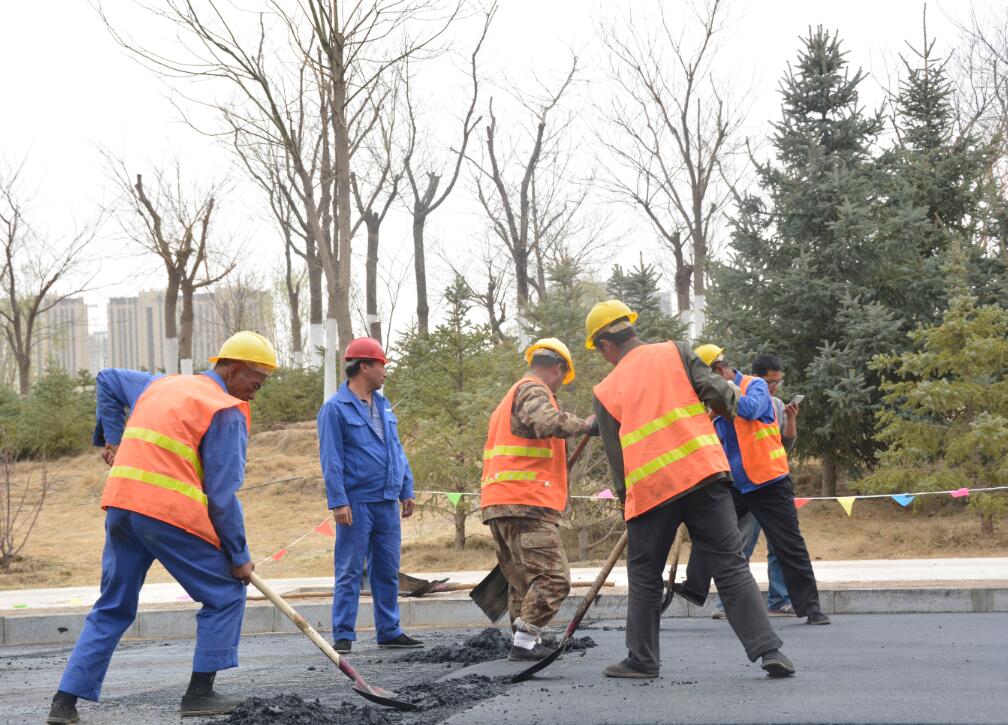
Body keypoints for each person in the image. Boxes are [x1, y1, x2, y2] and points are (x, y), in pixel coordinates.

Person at [47, 331, 278, 724]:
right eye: (256, 382)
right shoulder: (224, 409)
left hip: (121, 505)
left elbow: (106, 378)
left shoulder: (162, 384)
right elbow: (222, 497)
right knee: (225, 593)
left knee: (112, 607)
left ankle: (63, 704)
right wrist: (239, 558)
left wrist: (115, 442)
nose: (256, 392)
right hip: (166, 514)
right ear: (236, 369)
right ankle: (200, 694)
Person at [586, 300, 795, 680]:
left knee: (645, 573)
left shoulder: (605, 390)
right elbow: (719, 393)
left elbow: (618, 461)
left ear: (604, 345)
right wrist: (721, 408)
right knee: (730, 565)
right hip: (705, 474)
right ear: (630, 328)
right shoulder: (676, 351)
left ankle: (643, 660)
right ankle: (770, 652)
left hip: (652, 491)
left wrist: (625, 503)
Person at [682, 348, 829, 625]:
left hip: (770, 482)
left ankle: (811, 608)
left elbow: (750, 409)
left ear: (720, 370)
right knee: (709, 530)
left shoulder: (755, 385)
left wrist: (724, 395)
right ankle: (693, 589)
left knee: (789, 544)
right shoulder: (713, 401)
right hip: (737, 485)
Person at [480, 338, 595, 662]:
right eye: (562, 378)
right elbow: (546, 421)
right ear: (558, 368)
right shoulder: (533, 389)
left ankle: (524, 645)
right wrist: (584, 424)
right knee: (553, 578)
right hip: (526, 502)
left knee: (522, 581)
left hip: (501, 502)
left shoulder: (508, 399)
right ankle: (526, 636)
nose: (559, 385)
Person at [318, 337, 422, 654]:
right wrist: (338, 502)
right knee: (350, 569)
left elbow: (396, 449)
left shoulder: (384, 405)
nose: (385, 373)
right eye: (381, 366)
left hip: (387, 500)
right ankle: (344, 634)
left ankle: (389, 631)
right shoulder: (335, 409)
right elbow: (331, 459)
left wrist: (406, 488)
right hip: (357, 502)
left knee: (387, 569)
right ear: (364, 366)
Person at [713, 366, 800, 619]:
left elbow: (787, 444)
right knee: (739, 544)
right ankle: (728, 603)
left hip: (771, 483)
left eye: (778, 382)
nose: (774, 387)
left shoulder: (776, 404)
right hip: (744, 485)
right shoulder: (737, 399)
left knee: (780, 545)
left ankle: (780, 600)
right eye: (769, 382)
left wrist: (791, 419)